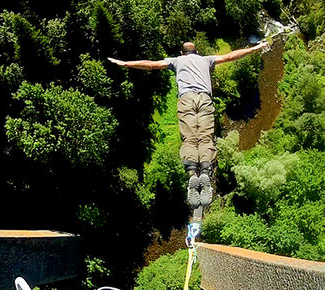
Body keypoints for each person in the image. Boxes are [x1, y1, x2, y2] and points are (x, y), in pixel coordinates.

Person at [108, 41, 269, 210]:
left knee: (190, 139)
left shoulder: (176, 61)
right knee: (206, 138)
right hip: (205, 100)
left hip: (186, 100)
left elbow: (150, 65)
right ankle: (205, 173)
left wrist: (125, 63)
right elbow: (230, 56)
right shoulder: (206, 59)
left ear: (181, 52)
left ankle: (193, 174)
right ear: (196, 51)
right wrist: (255, 48)